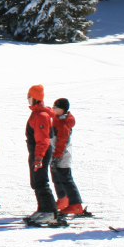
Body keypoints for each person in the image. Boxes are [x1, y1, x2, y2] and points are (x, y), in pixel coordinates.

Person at [26, 84, 58, 225]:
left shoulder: (41, 115)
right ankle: (43, 208)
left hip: (41, 152)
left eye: (29, 97)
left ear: (36, 99)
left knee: (41, 181)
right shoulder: (36, 113)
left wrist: (38, 157)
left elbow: (43, 139)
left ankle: (51, 212)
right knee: (36, 181)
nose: (27, 100)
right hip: (36, 152)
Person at [51, 98, 85, 216]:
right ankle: (63, 199)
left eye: (55, 107)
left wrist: (56, 156)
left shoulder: (64, 123)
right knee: (56, 177)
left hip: (62, 156)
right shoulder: (57, 119)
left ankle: (76, 205)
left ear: (62, 109)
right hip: (55, 154)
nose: (53, 109)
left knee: (66, 179)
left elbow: (62, 142)